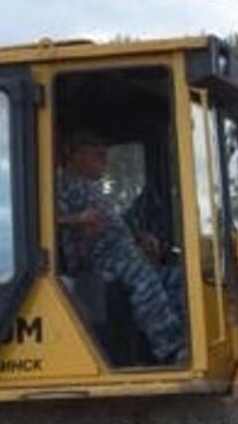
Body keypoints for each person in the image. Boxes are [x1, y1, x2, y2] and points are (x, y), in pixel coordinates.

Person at [56, 129, 187, 364]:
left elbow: (113, 223)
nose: (105, 161)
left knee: (179, 279)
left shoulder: (94, 189)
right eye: (98, 155)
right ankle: (170, 349)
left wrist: (139, 236)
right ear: (76, 155)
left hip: (123, 253)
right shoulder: (59, 184)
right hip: (95, 256)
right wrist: (79, 219)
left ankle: (186, 341)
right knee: (142, 277)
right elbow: (43, 219)